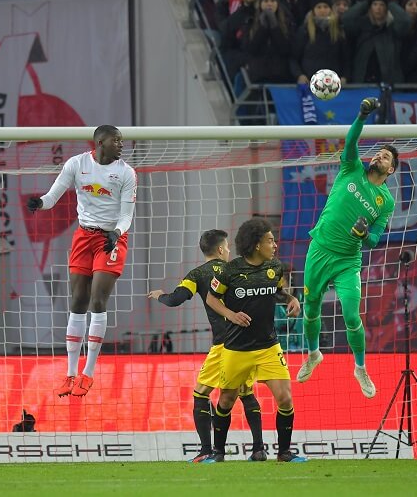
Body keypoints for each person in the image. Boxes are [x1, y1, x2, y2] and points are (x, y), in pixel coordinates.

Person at [296, 97, 398, 399]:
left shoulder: (386, 201)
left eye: (385, 157)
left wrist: (364, 233)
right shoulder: (352, 167)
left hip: (347, 260)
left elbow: (374, 240)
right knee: (311, 309)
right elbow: (352, 139)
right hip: (320, 249)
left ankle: (360, 367)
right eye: (378, 153)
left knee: (352, 316)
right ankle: (314, 354)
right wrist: (362, 114)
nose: (378, 157)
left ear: (391, 170)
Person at [27, 125, 136, 398]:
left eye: (122, 140)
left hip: (111, 239)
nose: (121, 144)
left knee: (97, 300)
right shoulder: (76, 164)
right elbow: (53, 197)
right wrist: (39, 203)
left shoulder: (126, 173)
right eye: (116, 140)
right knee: (77, 301)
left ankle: (88, 372)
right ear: (100, 142)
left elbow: (126, 215)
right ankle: (70, 373)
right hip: (83, 236)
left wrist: (116, 233)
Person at [147, 230, 266, 462]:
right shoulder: (239, 270)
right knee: (246, 392)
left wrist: (161, 295)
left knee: (201, 393)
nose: (229, 250)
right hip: (247, 342)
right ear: (221, 249)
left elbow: (175, 299)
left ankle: (206, 451)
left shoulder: (197, 274)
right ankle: (259, 449)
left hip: (224, 344)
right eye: (228, 247)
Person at [203, 217, 305, 463]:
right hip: (236, 349)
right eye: (270, 240)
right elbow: (211, 298)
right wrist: (231, 315)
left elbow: (276, 290)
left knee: (285, 398)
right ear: (257, 244)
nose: (275, 245)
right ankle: (218, 453)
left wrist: (292, 299)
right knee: (226, 400)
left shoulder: (275, 268)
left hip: (269, 347)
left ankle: (284, 453)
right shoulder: (229, 270)